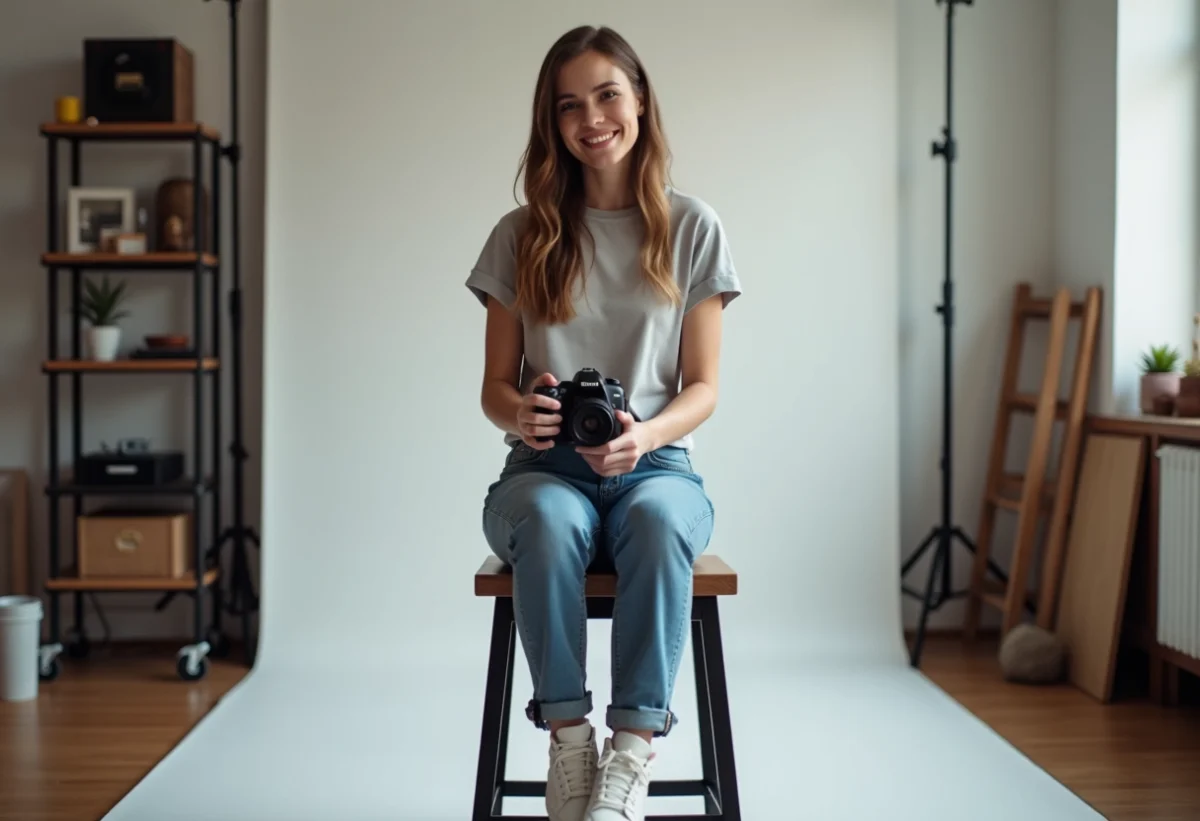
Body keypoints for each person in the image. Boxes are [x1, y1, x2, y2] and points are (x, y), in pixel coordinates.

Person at [465, 24, 742, 821]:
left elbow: (703, 387)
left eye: (607, 95)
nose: (591, 119)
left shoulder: (692, 227)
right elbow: (493, 388)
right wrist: (524, 411)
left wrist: (643, 435)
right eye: (569, 105)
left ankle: (631, 754)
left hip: (657, 465)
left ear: (641, 100)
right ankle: (569, 742)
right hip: (543, 469)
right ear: (550, 121)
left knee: (659, 522)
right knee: (550, 523)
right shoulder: (522, 234)